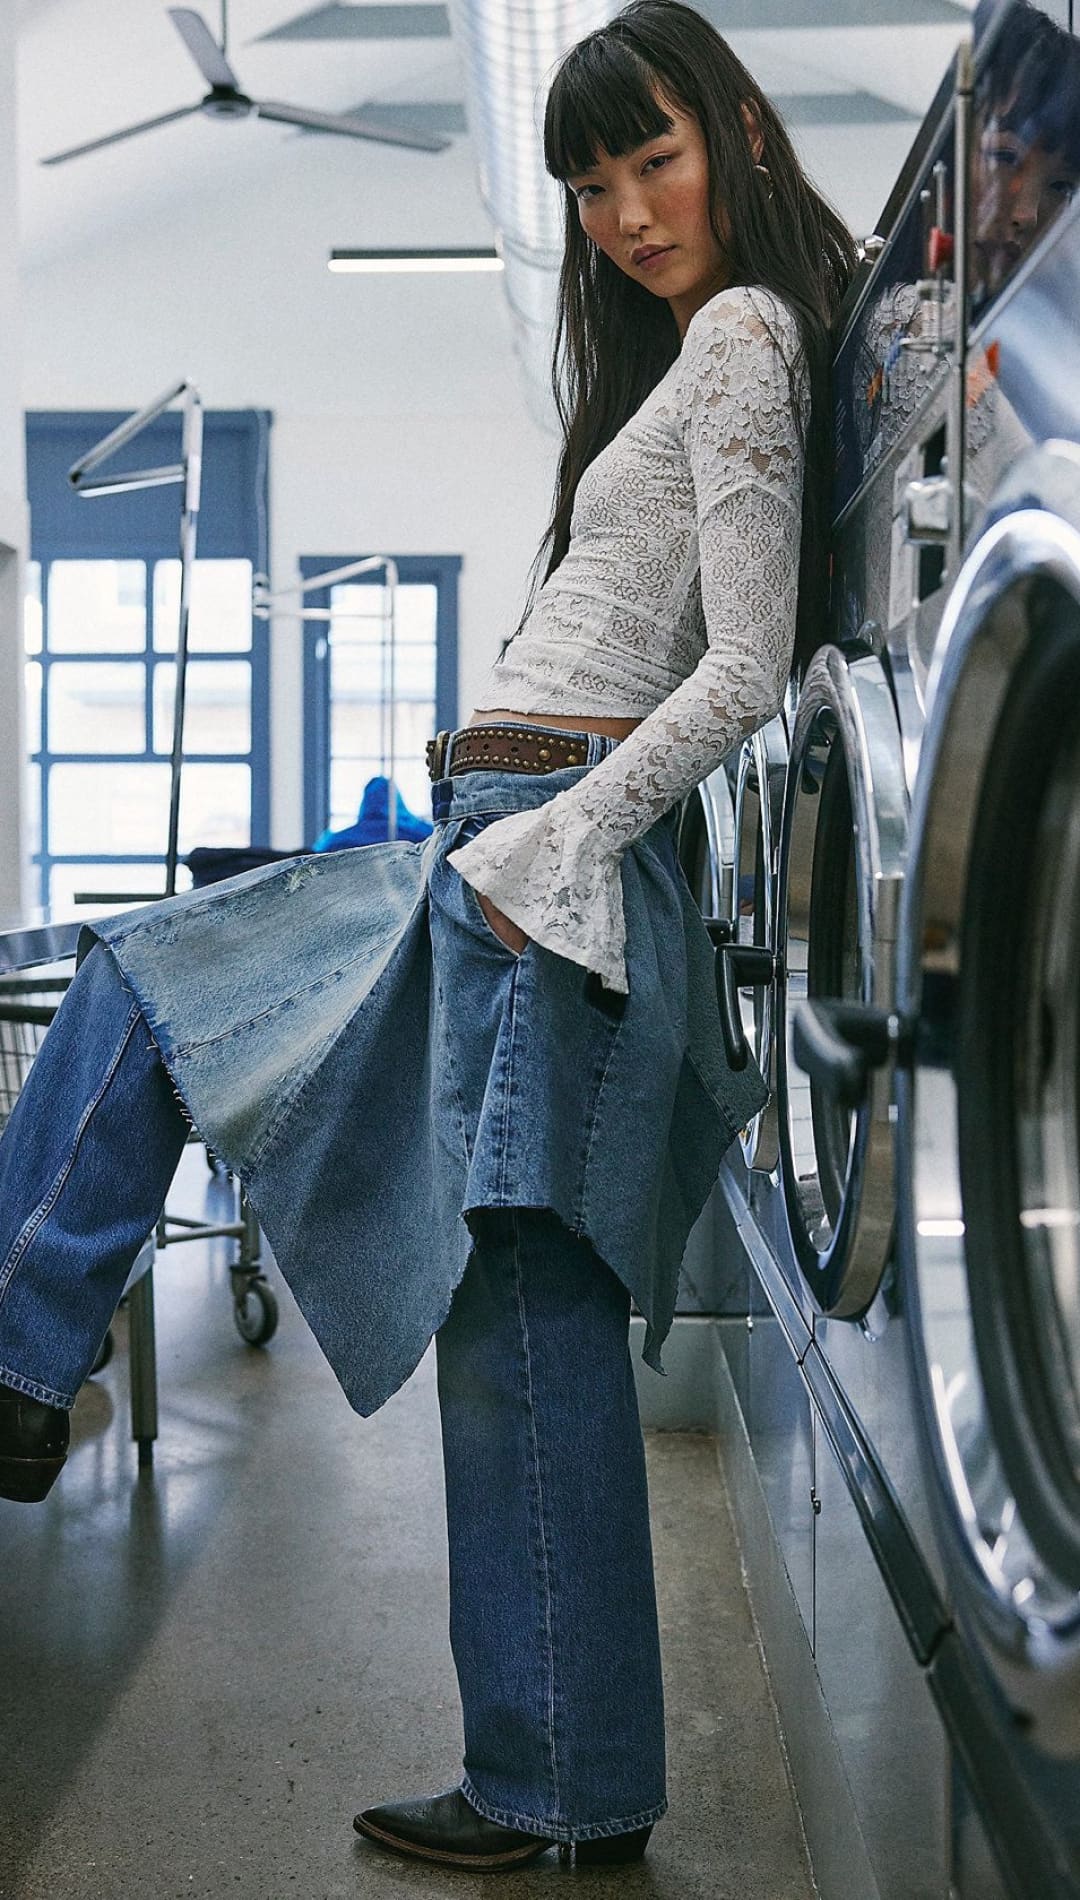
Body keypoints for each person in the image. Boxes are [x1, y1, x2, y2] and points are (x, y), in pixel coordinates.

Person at [0, 0, 856, 1872]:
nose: (629, 211)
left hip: (545, 855)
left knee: (169, 982)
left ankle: (16, 1352)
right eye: (591, 184)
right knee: (517, 1310)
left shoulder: (738, 336)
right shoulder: (694, 347)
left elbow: (750, 663)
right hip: (516, 837)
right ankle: (563, 1781)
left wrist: (551, 837)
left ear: (737, 129)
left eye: (655, 156)